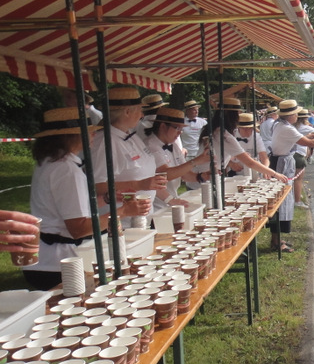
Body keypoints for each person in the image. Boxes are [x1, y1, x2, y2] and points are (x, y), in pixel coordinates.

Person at [25, 106, 149, 290]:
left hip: (46, 259)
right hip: (59, 264)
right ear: (71, 136)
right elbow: (78, 228)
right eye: (89, 132)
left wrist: (108, 199)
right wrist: (122, 212)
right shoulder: (67, 170)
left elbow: (68, 208)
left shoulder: (49, 163)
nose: (93, 136)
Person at [91, 86, 168, 228]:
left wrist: (169, 198)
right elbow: (97, 187)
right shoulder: (105, 142)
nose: (142, 115)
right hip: (120, 225)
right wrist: (138, 185)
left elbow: (147, 177)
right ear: (127, 112)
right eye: (139, 110)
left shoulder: (130, 136)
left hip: (141, 220)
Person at [269, 100, 314, 251]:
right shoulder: (287, 128)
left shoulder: (280, 125)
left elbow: (309, 135)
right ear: (291, 115)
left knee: (282, 202)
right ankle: (277, 241)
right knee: (281, 202)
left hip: (280, 161)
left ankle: (277, 238)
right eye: (295, 113)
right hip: (281, 162)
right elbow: (310, 143)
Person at [143, 107, 208, 211]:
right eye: (177, 128)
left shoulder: (174, 146)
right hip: (156, 206)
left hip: (172, 202)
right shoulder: (150, 146)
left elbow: (185, 175)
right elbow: (165, 174)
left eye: (181, 129)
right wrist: (196, 161)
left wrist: (202, 176)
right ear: (163, 126)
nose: (179, 133)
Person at [226, 113, 269, 178]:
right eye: (244, 128)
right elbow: (223, 156)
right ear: (238, 127)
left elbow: (264, 157)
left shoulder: (256, 137)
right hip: (235, 175)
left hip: (254, 172)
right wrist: (231, 164)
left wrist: (266, 170)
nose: (247, 131)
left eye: (250, 128)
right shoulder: (231, 136)